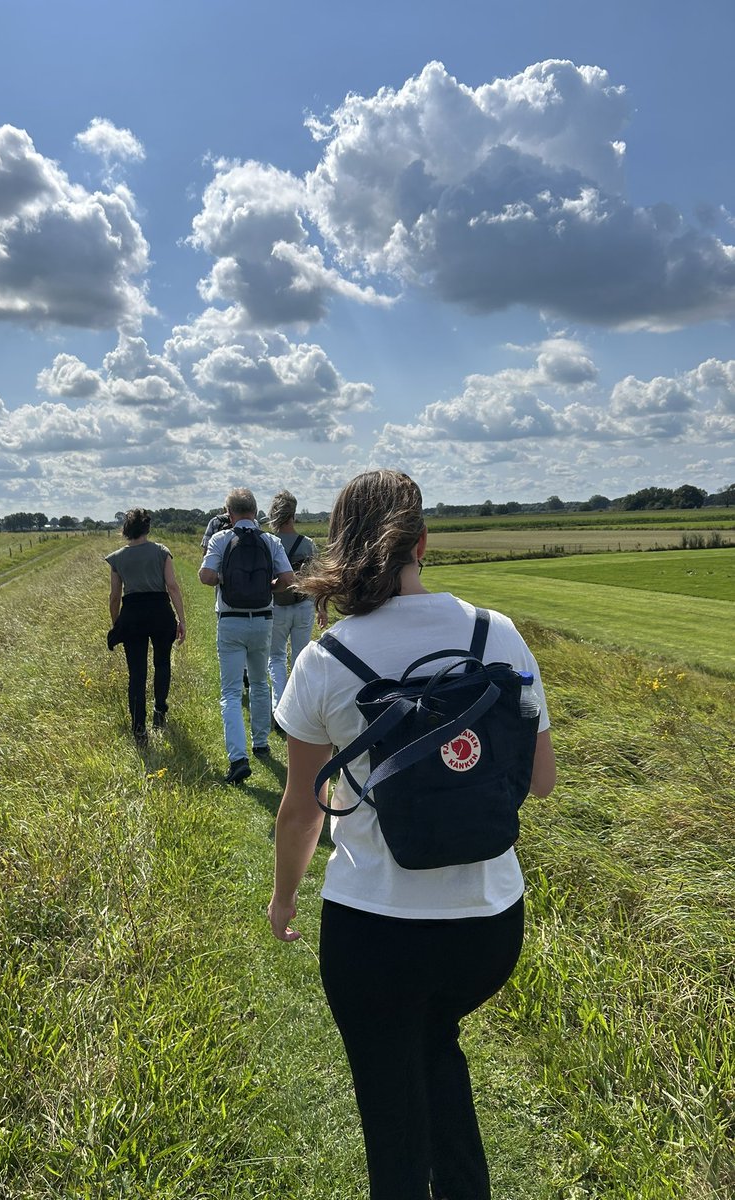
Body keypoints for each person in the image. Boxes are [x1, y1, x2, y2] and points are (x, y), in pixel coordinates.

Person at [267, 470, 556, 1200]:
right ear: (422, 544)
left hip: (377, 931)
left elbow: (304, 807)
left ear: (339, 550)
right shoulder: (500, 634)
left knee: (391, 1117)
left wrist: (284, 900)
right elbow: (542, 781)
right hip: (488, 925)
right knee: (434, 1044)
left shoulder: (326, 661)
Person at [199, 488, 294, 784]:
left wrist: (224, 578)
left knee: (229, 692)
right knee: (259, 682)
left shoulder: (221, 538)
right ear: (255, 512)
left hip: (230, 620)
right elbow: (288, 581)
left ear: (229, 514)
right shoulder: (271, 541)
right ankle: (261, 742)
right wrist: (268, 585)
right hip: (263, 619)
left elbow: (205, 576)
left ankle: (238, 758)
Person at [106, 507, 186, 741]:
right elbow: (172, 586)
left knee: (137, 673)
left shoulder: (117, 558)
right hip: (160, 611)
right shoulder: (162, 552)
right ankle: (159, 711)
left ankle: (139, 729)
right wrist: (181, 618)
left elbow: (113, 596)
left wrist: (117, 623)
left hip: (132, 613)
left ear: (125, 530)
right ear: (147, 528)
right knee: (162, 663)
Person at [266, 490, 317, 722]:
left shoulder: (268, 543)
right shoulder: (307, 544)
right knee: (300, 657)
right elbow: (316, 579)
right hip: (303, 604)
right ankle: (298, 708)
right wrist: (321, 608)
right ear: (293, 515)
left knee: (275, 657)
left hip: (276, 606)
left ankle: (278, 707)